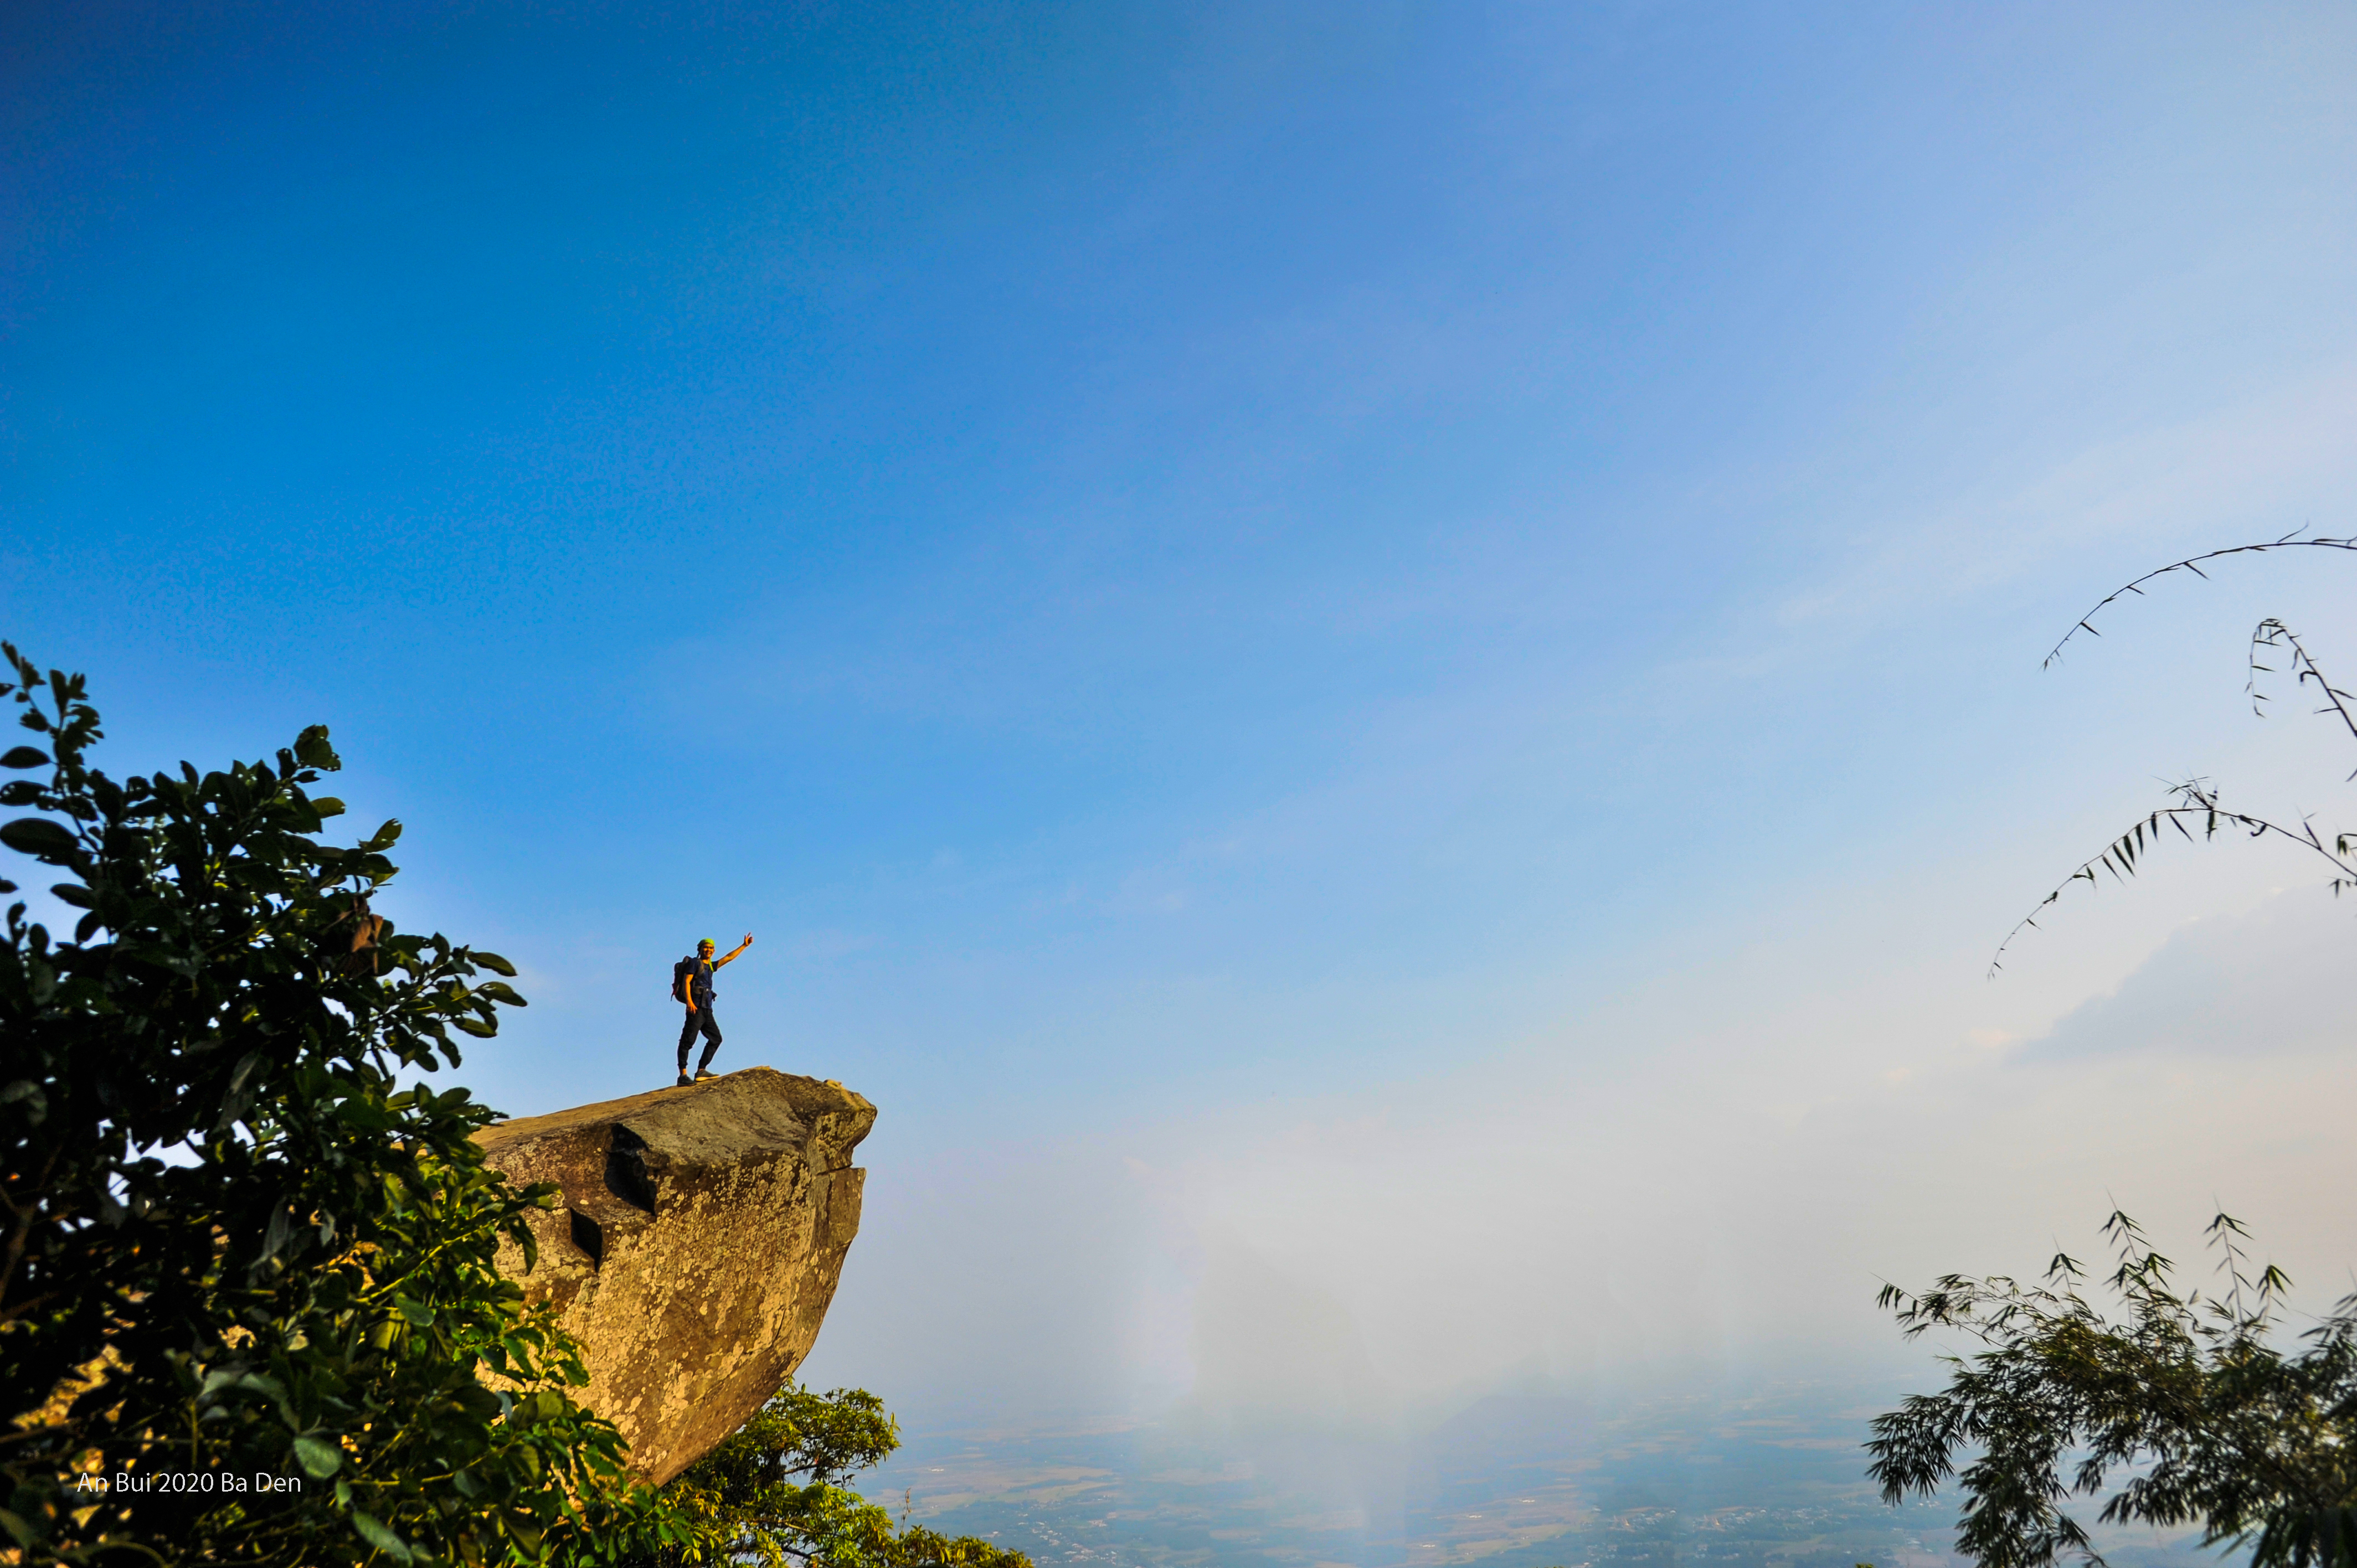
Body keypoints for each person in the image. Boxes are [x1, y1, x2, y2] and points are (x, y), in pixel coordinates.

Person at [674, 933, 753, 1086]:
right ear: (700, 949)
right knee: (687, 1041)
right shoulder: (695, 963)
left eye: (711, 948)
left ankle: (701, 1071)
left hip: (707, 1009)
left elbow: (729, 958)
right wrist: (689, 1001)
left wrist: (744, 946)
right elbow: (687, 981)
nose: (708, 950)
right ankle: (683, 1075)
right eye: (706, 948)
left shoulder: (710, 966)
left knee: (716, 1039)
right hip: (695, 1007)